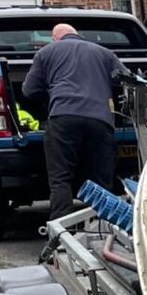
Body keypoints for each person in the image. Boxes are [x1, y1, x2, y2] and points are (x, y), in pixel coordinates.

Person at [21, 23, 127, 218]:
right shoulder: (105, 53)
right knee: (101, 181)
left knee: (61, 178)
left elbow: (29, 91)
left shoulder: (46, 53)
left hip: (63, 119)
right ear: (77, 35)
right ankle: (104, 228)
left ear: (55, 38)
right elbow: (126, 80)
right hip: (100, 120)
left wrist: (51, 96)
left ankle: (61, 232)